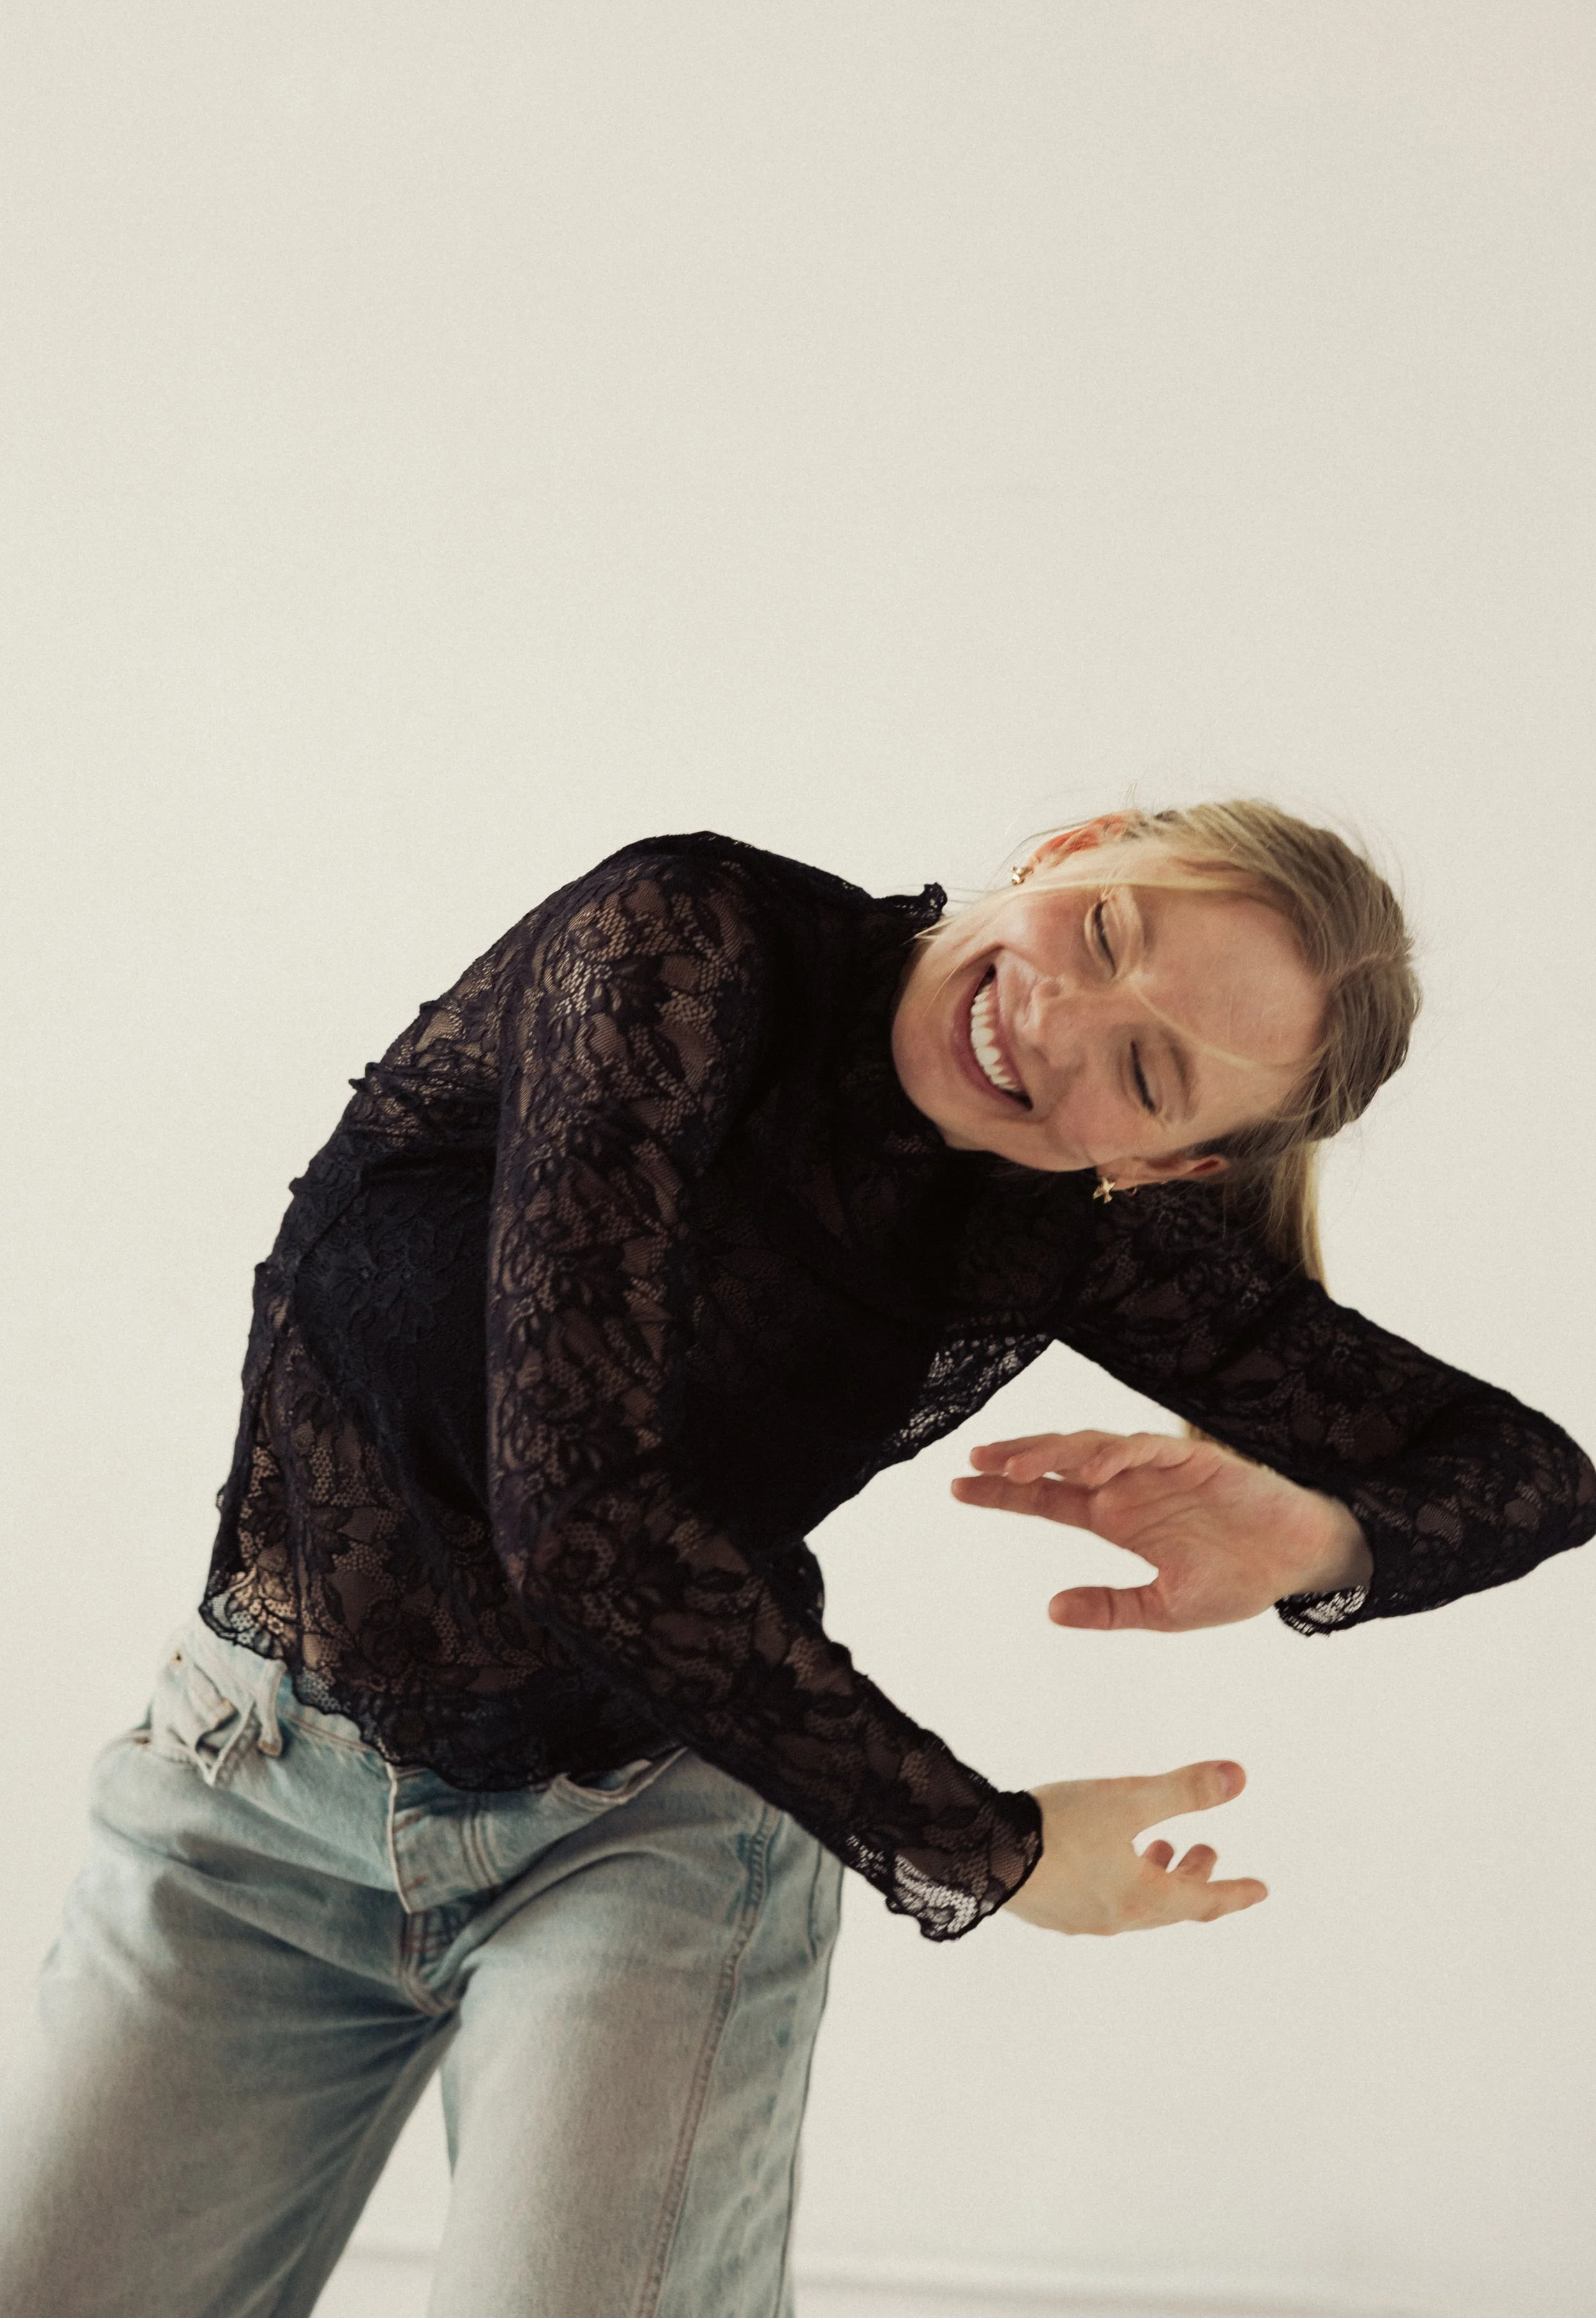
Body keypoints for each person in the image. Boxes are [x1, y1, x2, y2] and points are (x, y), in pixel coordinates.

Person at [0, 804, 1589, 2318]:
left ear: (1168, 1168)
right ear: (1070, 849)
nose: (1054, 1023)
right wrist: (994, 1851)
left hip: (644, 1841)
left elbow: (1534, 1475)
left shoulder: (1063, 1225)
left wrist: (1323, 1536)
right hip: (255, 1796)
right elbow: (580, 1521)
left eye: (1146, 1072)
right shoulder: (681, 943)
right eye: (1106, 932)